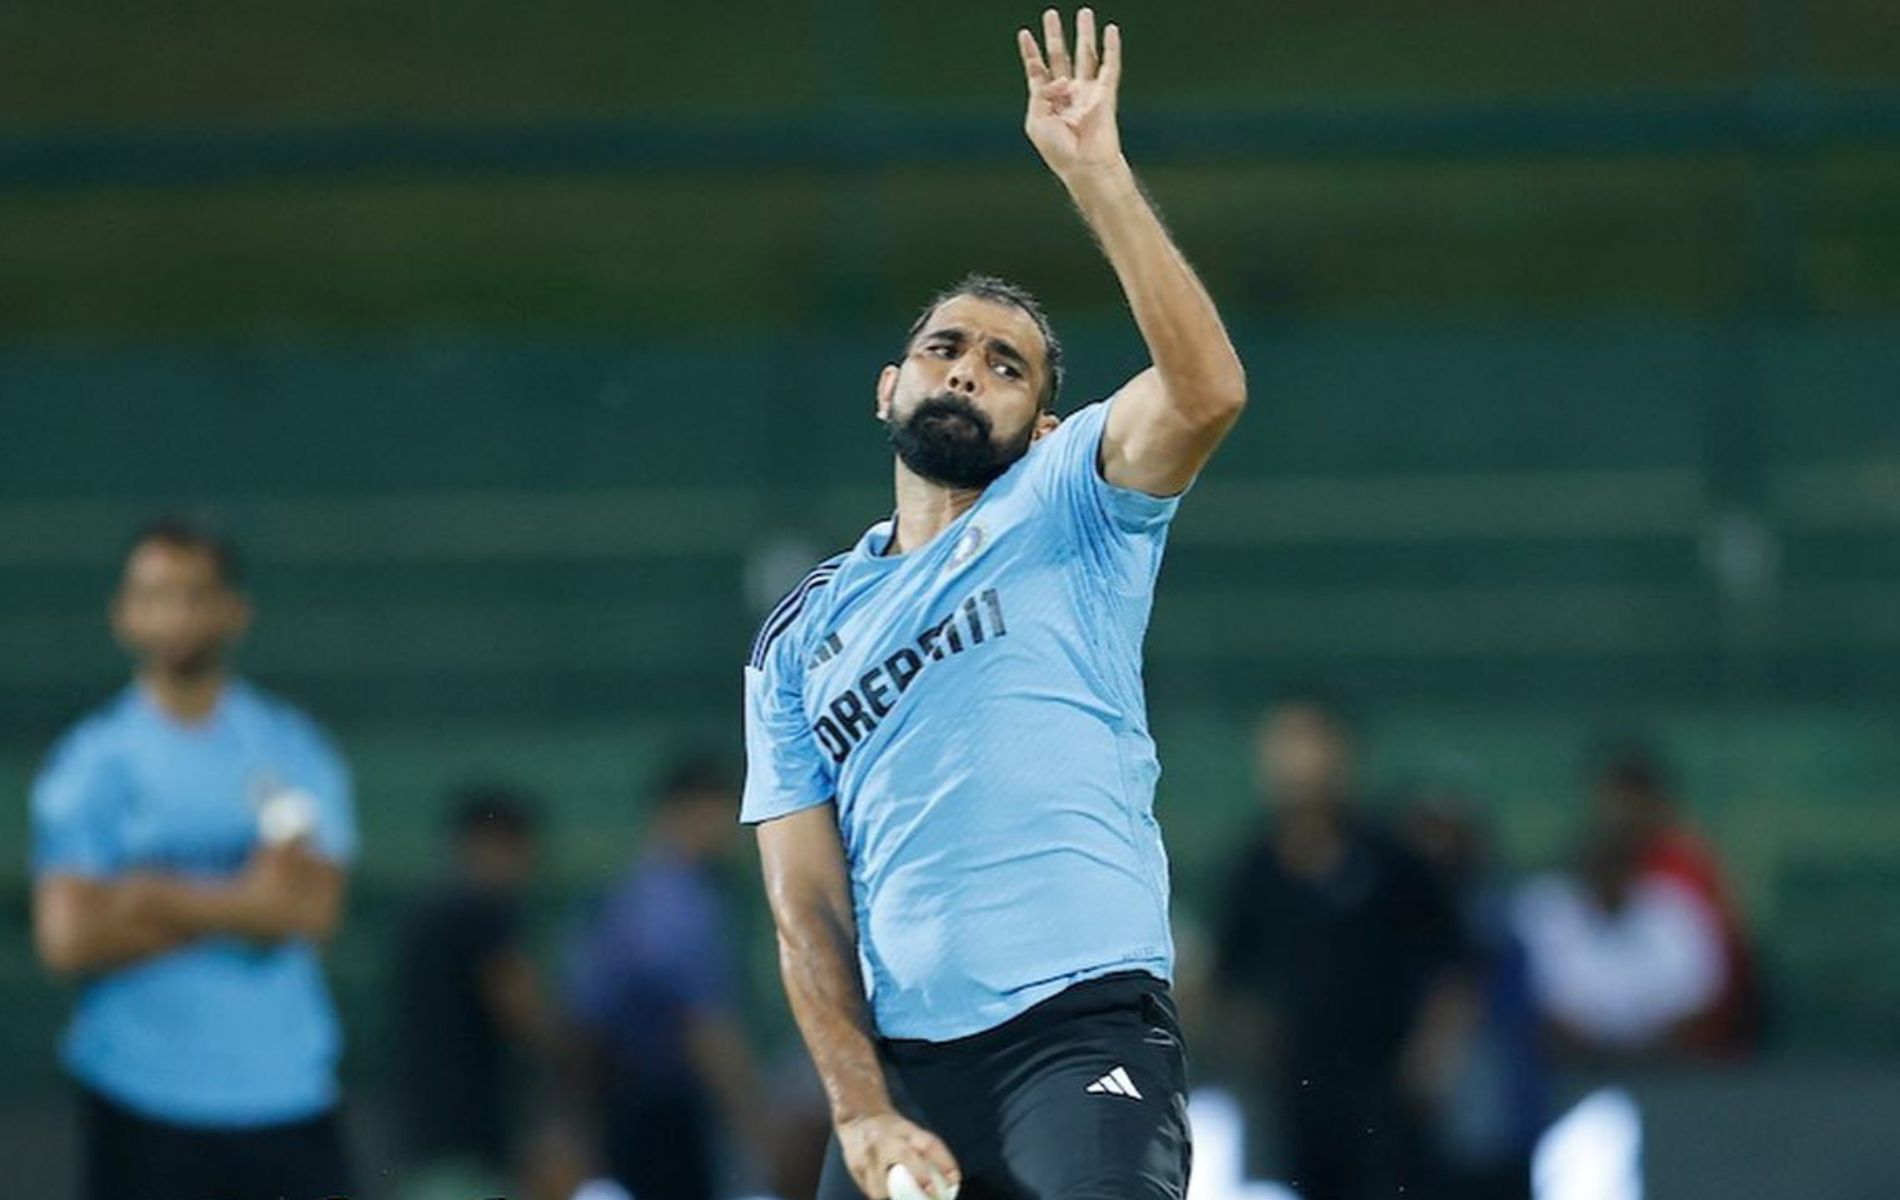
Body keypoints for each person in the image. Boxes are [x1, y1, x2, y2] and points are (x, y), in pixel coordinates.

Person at [742, 10, 1247, 1199]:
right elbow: (806, 906)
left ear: (1047, 426)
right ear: (888, 389)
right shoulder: (798, 638)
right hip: (906, 1074)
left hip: (1080, 1031)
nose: (967, 367)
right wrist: (859, 1113)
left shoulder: (1070, 502)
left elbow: (1207, 389)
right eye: (943, 347)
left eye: (1006, 363)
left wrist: (1098, 177)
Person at [29, 516, 356, 1200]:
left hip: (285, 1092)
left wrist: (150, 894)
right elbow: (69, 938)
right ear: (122, 615)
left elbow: (312, 908)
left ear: (234, 611)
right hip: (139, 1094)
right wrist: (248, 903)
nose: (174, 614)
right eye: (153, 595)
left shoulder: (291, 748)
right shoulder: (90, 765)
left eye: (194, 593)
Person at [1212, 701, 1470, 1200]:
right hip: (1299, 1094)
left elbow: (1453, 962)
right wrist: (1258, 1047)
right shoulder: (1256, 866)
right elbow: (1231, 976)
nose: (1293, 763)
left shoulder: (1390, 857)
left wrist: (1433, 1053)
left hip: (1386, 1090)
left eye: (1306, 744)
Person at [564, 755, 767, 1200]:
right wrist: (754, 1117)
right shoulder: (677, 900)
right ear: (687, 809)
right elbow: (704, 1026)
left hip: (626, 1105)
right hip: (658, 1109)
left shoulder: (631, 890)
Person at [392, 784, 553, 1198]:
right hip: (467, 1138)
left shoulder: (425, 912)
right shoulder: (482, 910)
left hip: (420, 1128)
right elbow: (522, 1011)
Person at [1589, 738, 1762, 1056]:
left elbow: (1718, 969)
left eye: (1625, 801)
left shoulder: (1684, 865)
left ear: (1652, 800)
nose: (1615, 814)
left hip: (1700, 1044)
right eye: (1609, 802)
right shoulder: (1601, 866)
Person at [1513, 823, 1727, 1058]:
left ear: (1634, 870)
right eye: (1600, 866)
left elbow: (1701, 996)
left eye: (1617, 866)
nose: (1608, 876)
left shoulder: (1675, 908)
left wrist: (1648, 1049)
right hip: (1565, 1065)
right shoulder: (1543, 910)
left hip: (1667, 1066)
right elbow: (1531, 1000)